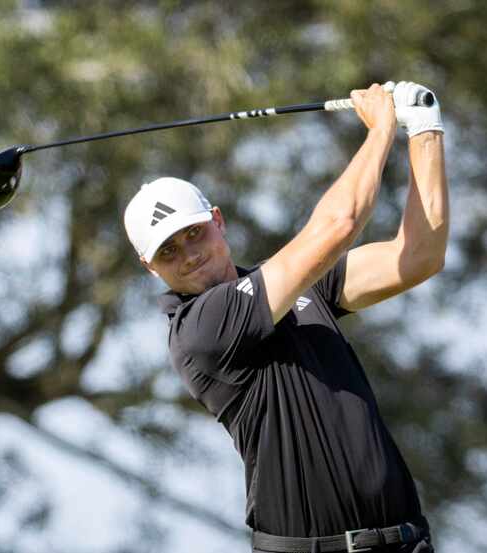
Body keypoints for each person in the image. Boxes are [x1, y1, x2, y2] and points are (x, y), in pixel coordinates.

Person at [123, 81, 448, 553]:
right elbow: (338, 225)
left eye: (193, 233)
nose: (188, 255)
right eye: (168, 251)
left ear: (218, 220)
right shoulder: (200, 329)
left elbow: (418, 256)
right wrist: (380, 131)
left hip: (405, 542)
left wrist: (423, 128)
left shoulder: (295, 287)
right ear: (150, 268)